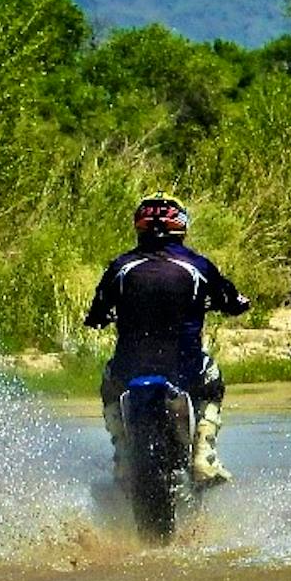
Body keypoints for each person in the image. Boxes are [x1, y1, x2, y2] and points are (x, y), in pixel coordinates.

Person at [83, 193, 250, 486]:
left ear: (139, 225)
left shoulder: (120, 267)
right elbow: (232, 300)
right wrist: (237, 304)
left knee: (110, 383)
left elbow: (96, 312)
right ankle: (204, 455)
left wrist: (98, 319)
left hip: (130, 367)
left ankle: (123, 456)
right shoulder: (198, 265)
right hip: (184, 366)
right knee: (212, 381)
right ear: (181, 225)